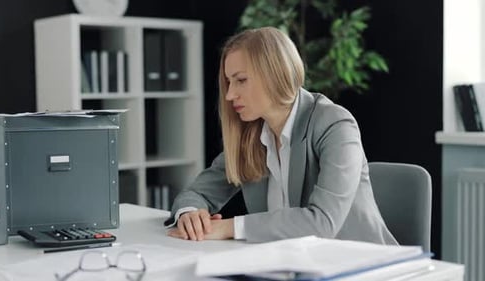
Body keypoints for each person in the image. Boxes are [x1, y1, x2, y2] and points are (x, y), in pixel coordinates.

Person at [165, 26, 398, 245]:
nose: (230, 95)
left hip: (362, 265)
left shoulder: (334, 124)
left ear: (274, 74)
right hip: (291, 264)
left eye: (241, 80)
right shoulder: (252, 134)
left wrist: (229, 227)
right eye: (228, 82)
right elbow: (196, 193)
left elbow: (323, 222)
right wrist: (191, 214)